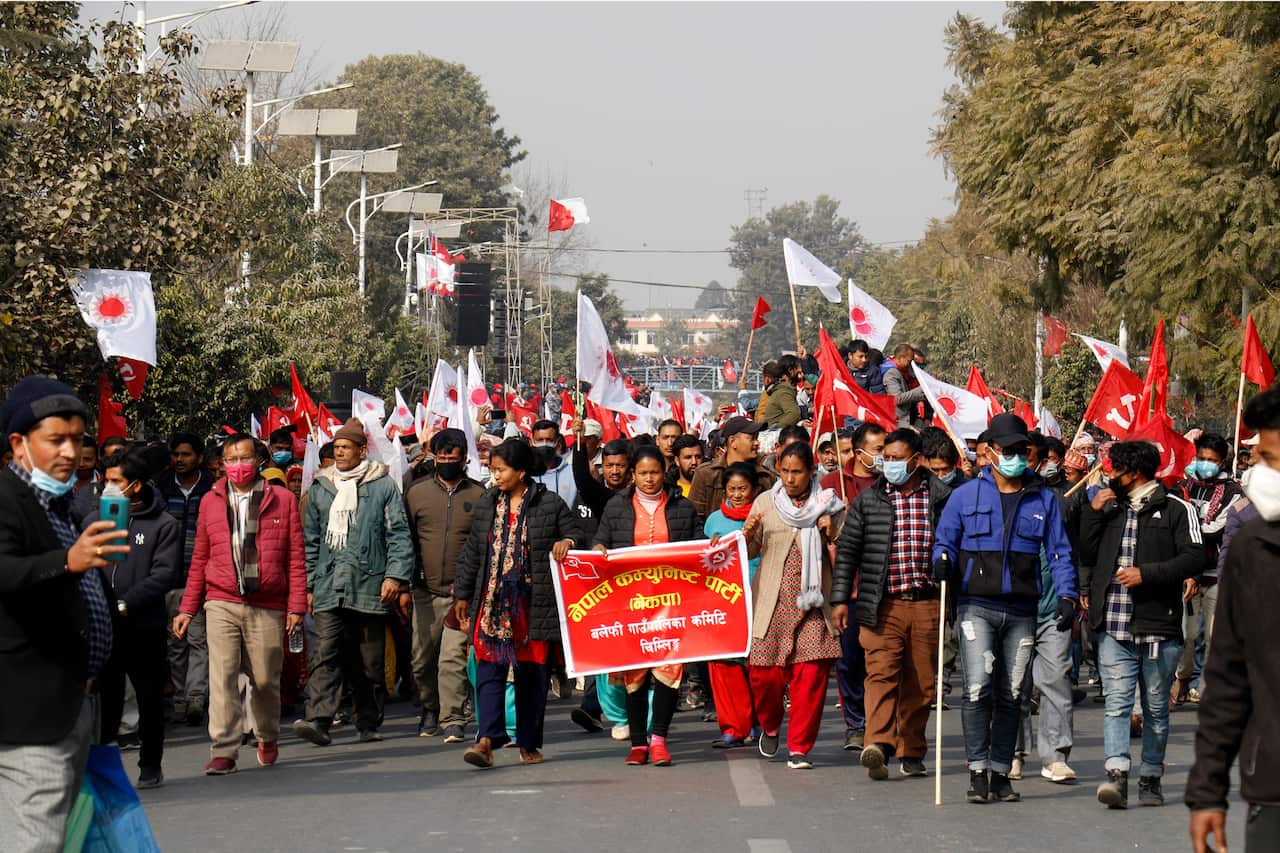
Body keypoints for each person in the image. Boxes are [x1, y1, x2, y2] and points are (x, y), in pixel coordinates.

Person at [0, 377, 128, 850]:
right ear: (19, 444)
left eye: (77, 439)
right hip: (28, 712)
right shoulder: (7, 500)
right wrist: (68, 562)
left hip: (74, 705)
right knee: (38, 841)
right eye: (56, 440)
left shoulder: (64, 506)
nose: (71, 452)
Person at [932, 413, 1079, 804]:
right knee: (977, 688)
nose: (1015, 456)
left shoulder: (1044, 499)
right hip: (975, 607)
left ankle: (1001, 772)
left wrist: (1067, 596)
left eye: (1021, 450)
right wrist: (942, 560)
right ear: (989, 452)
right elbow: (944, 541)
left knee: (1012, 693)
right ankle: (977, 770)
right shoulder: (964, 496)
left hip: (1022, 611)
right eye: (1008, 449)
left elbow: (1061, 552)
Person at [1079, 440, 1202, 809]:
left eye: (1115, 468)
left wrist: (1145, 574)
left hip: (1158, 626)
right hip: (1114, 625)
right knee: (1117, 703)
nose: (1108, 474)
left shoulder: (1177, 509)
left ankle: (1151, 775)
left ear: (1134, 473)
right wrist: (1092, 512)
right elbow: (1085, 552)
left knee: (1154, 708)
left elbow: (1194, 557)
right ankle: (1117, 774)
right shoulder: (1109, 508)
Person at [173, 433, 306, 775]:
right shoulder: (210, 501)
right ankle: (224, 748)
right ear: (221, 464)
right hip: (221, 600)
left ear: (258, 459)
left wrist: (295, 607)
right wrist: (188, 607)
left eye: (244, 458)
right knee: (223, 676)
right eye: (230, 460)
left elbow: (295, 557)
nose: (238, 466)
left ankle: (266, 734)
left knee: (264, 678)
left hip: (268, 602)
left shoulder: (282, 500)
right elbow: (200, 556)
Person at [1186, 386, 1280, 853]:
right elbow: (1227, 677)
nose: (1264, 474)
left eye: (1274, 460)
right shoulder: (1252, 549)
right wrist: (1208, 789)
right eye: (1261, 458)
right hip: (1273, 790)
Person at [453, 439, 583, 769]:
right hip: (492, 602)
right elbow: (471, 552)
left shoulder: (549, 504)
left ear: (521, 471)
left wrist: (567, 541)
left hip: (533, 604)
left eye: (501, 470)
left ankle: (528, 742)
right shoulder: (487, 503)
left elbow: (575, 533)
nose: (495, 476)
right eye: (492, 469)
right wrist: (463, 596)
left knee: (532, 676)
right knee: (488, 671)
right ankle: (486, 740)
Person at [833, 428, 952, 781]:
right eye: (886, 457)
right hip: (882, 603)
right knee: (880, 674)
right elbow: (848, 554)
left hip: (928, 602)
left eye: (898, 459)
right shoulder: (870, 500)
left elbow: (957, 542)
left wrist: (951, 564)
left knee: (920, 683)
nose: (889, 464)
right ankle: (879, 743)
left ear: (917, 461)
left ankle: (911, 750)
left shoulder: (942, 497)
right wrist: (840, 599)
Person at [292, 419, 413, 746]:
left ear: (362, 451)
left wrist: (395, 577)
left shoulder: (383, 485)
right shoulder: (321, 487)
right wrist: (309, 586)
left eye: (346, 448)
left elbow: (399, 535)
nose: (340, 453)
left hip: (370, 586)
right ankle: (319, 719)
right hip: (330, 585)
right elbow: (311, 541)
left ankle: (367, 721)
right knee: (326, 654)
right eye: (337, 448)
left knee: (369, 661)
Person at [592, 445, 701, 767]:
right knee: (635, 673)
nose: (649, 479)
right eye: (642, 473)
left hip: (671, 603)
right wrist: (598, 548)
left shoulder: (683, 507)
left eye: (654, 472)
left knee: (669, 672)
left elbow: (696, 546)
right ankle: (638, 743)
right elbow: (602, 541)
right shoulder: (615, 507)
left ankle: (660, 740)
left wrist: (710, 547)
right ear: (632, 475)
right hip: (631, 605)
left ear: (663, 471)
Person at [743, 442, 845, 770]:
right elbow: (750, 550)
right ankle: (770, 724)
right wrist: (745, 537)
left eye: (797, 472)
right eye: (784, 471)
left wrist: (833, 533)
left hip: (814, 604)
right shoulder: (764, 503)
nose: (789, 478)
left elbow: (847, 545)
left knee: (811, 677)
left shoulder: (829, 504)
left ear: (811, 472)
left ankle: (799, 747)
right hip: (772, 603)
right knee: (764, 677)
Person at [86, 444, 179, 789]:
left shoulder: (163, 525)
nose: (107, 487)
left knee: (149, 699)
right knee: (106, 703)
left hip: (143, 626)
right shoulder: (96, 520)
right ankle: (105, 771)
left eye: (114, 481)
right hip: (104, 628)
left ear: (135, 485)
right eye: (105, 480)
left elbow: (164, 575)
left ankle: (150, 764)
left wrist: (125, 603)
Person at [404, 428, 484, 742]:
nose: (447, 462)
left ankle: (453, 718)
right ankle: (429, 708)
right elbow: (405, 540)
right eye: (441, 457)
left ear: (464, 459)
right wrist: (403, 584)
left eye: (453, 458)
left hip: (460, 594)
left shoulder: (479, 495)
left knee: (452, 658)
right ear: (433, 459)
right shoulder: (415, 493)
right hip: (423, 590)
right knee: (422, 659)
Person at [820, 421, 885, 747]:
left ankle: (880, 723)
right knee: (849, 661)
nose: (884, 457)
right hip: (847, 587)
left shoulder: (891, 485)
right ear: (859, 452)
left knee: (882, 660)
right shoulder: (832, 485)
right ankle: (856, 724)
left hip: (885, 585)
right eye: (878, 451)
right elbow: (818, 531)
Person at [1171, 431, 1242, 706]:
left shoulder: (1234, 493)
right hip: (1186, 573)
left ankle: (1208, 686)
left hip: (1216, 574)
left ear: (1222, 462)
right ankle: (1182, 678)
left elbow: (1214, 531)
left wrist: (1188, 529)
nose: (1205, 464)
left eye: (1211, 460)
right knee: (1186, 635)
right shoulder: (1183, 487)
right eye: (1201, 458)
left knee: (1214, 636)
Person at [704, 463, 763, 748]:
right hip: (724, 601)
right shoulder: (713, 521)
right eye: (732, 489)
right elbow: (700, 562)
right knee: (725, 664)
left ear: (753, 490)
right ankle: (733, 727)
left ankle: (759, 722)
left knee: (758, 665)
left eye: (743, 489)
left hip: (760, 597)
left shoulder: (766, 515)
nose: (737, 495)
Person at [158, 430, 214, 727]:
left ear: (199, 458)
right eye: (176, 455)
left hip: (200, 576)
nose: (179, 460)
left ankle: (195, 697)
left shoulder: (213, 489)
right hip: (167, 577)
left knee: (198, 639)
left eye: (186, 454)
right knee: (174, 643)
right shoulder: (161, 487)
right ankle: (180, 697)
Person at [688, 417, 775, 522]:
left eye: (757, 438)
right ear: (732, 441)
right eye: (752, 438)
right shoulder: (706, 474)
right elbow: (694, 518)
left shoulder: (765, 477)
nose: (757, 443)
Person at [531, 420, 576, 510]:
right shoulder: (526, 473)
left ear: (558, 443)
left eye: (549, 440)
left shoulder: (573, 472)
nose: (544, 444)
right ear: (532, 442)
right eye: (540, 440)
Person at [883, 345, 926, 428]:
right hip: (898, 422)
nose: (911, 365)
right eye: (909, 362)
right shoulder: (891, 373)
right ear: (900, 358)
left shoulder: (906, 372)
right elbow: (896, 398)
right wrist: (919, 391)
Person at [761, 356, 802, 429]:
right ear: (790, 371)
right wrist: (776, 429)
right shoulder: (784, 391)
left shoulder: (783, 389)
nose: (801, 375)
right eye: (798, 371)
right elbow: (794, 414)